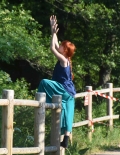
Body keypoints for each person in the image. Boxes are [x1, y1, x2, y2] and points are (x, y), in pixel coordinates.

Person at [37, 15, 76, 148]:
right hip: (69, 93)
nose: (59, 45)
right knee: (66, 111)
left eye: (61, 45)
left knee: (43, 82)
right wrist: (53, 32)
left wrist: (53, 33)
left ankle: (41, 105)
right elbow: (55, 44)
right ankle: (66, 136)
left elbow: (53, 48)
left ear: (64, 50)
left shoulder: (63, 60)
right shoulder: (67, 60)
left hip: (63, 89)